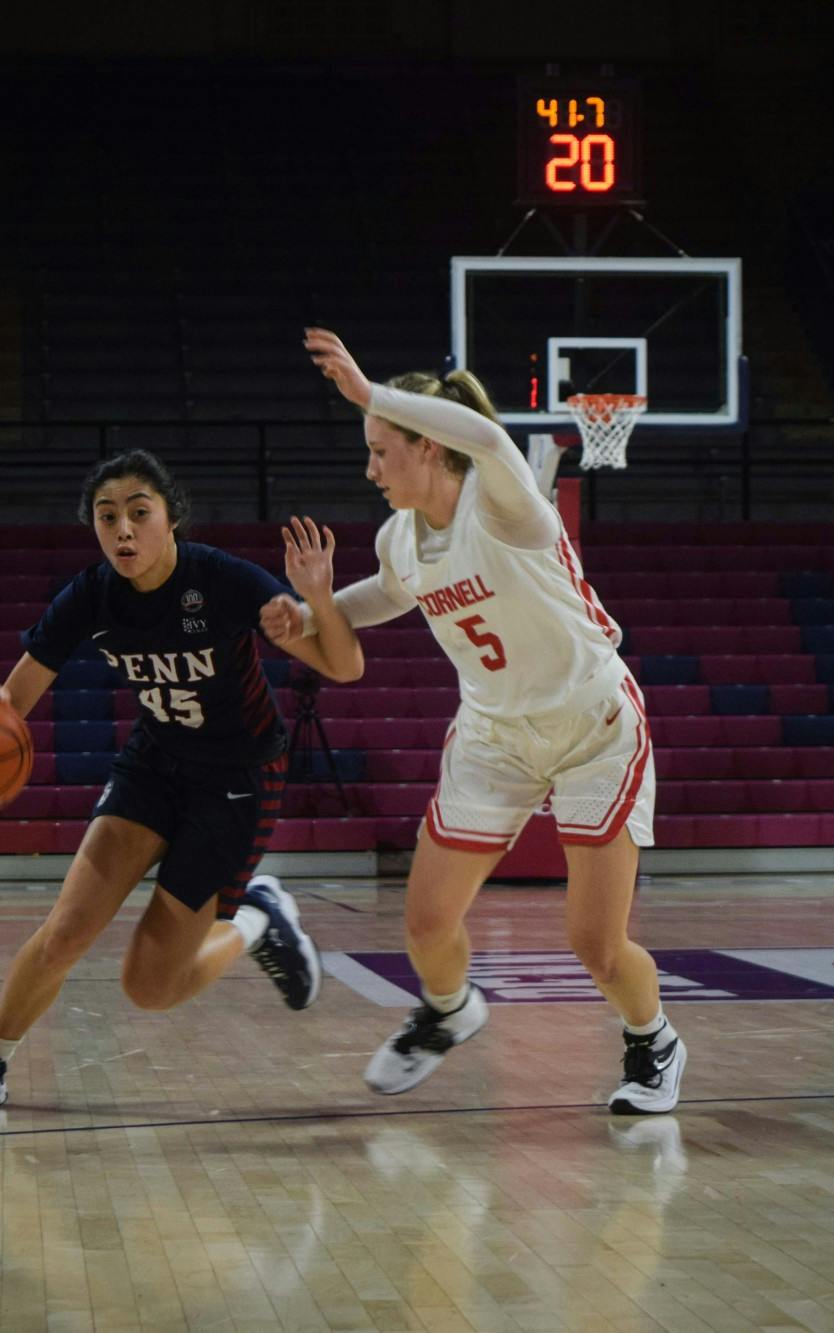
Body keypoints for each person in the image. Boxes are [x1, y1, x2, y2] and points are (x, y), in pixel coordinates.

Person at [262, 328, 683, 1114]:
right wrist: (307, 611)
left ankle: (653, 1038)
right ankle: (453, 1009)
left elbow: (489, 436)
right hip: (495, 736)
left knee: (594, 943)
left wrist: (369, 390)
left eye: (382, 448)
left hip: (592, 724)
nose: (369, 468)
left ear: (429, 445)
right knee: (425, 925)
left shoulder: (503, 501)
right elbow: (375, 605)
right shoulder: (400, 539)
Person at [0, 449, 362, 1112]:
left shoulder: (222, 580)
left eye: (138, 513)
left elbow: (344, 665)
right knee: (67, 928)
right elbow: (10, 704)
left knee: (150, 986)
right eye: (107, 517)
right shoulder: (91, 595)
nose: (123, 529)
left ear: (170, 520)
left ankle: (256, 922)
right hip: (155, 762)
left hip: (237, 778)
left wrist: (319, 601)